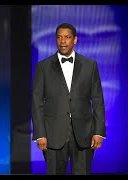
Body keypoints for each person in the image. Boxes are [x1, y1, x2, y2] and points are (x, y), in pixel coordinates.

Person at [31, 22, 106, 175]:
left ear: (75, 40)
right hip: (53, 134)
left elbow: (97, 99)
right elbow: (37, 102)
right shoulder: (43, 67)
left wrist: (99, 132)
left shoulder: (90, 65)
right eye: (59, 37)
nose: (62, 41)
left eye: (67, 37)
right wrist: (40, 133)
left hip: (84, 134)